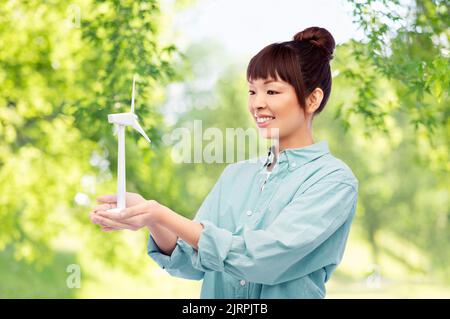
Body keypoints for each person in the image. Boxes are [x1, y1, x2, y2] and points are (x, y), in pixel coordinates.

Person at [90, 26, 358, 299]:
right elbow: (190, 260)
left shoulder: (333, 181)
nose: (257, 104)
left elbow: (263, 260)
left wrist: (161, 213)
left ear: (312, 98)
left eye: (272, 92)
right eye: (252, 92)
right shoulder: (236, 175)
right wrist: (150, 218)